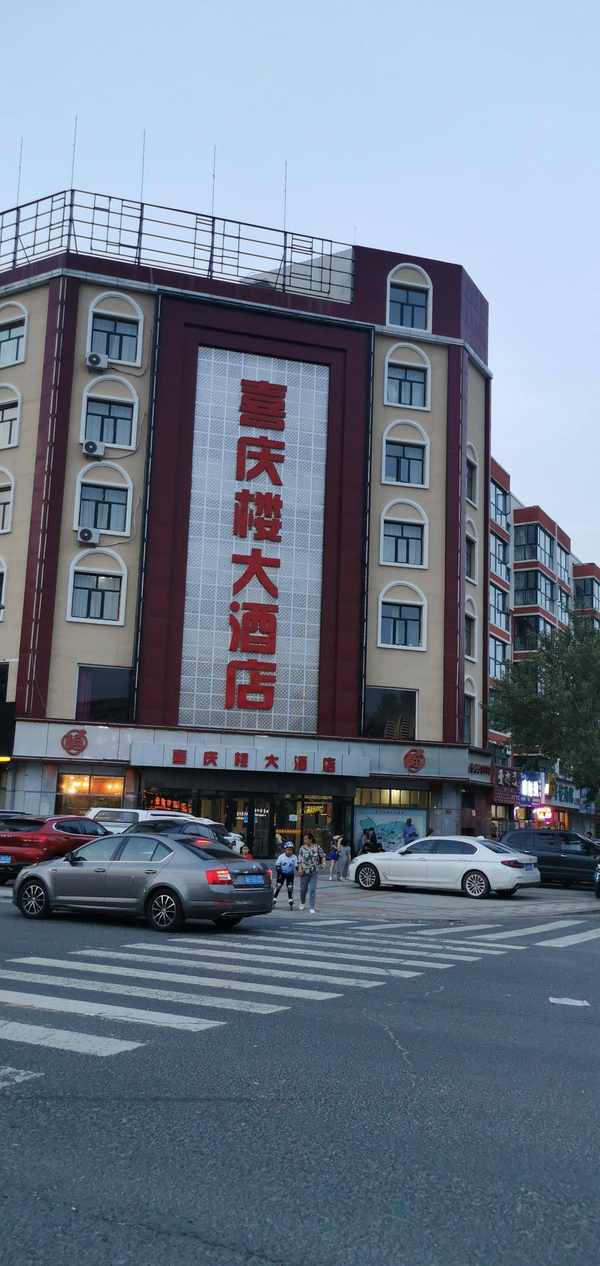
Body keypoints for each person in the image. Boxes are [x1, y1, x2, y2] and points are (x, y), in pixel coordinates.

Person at [297, 831, 325, 912]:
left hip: (314, 871)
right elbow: (300, 860)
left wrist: (323, 864)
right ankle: (302, 902)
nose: (305, 840)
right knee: (303, 890)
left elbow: (323, 856)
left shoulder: (317, 847)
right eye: (304, 839)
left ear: (311, 839)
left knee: (312, 889)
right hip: (304, 871)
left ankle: (312, 907)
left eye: (306, 839)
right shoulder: (302, 848)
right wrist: (300, 868)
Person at [273, 842, 298, 909]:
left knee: (290, 887)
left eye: (291, 850)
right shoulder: (281, 857)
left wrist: (299, 870)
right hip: (281, 874)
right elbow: (277, 865)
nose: (289, 851)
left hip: (290, 874)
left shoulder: (294, 857)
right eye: (288, 850)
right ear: (285, 850)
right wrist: (279, 872)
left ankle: (290, 899)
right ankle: (274, 898)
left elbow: (296, 866)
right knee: (278, 885)